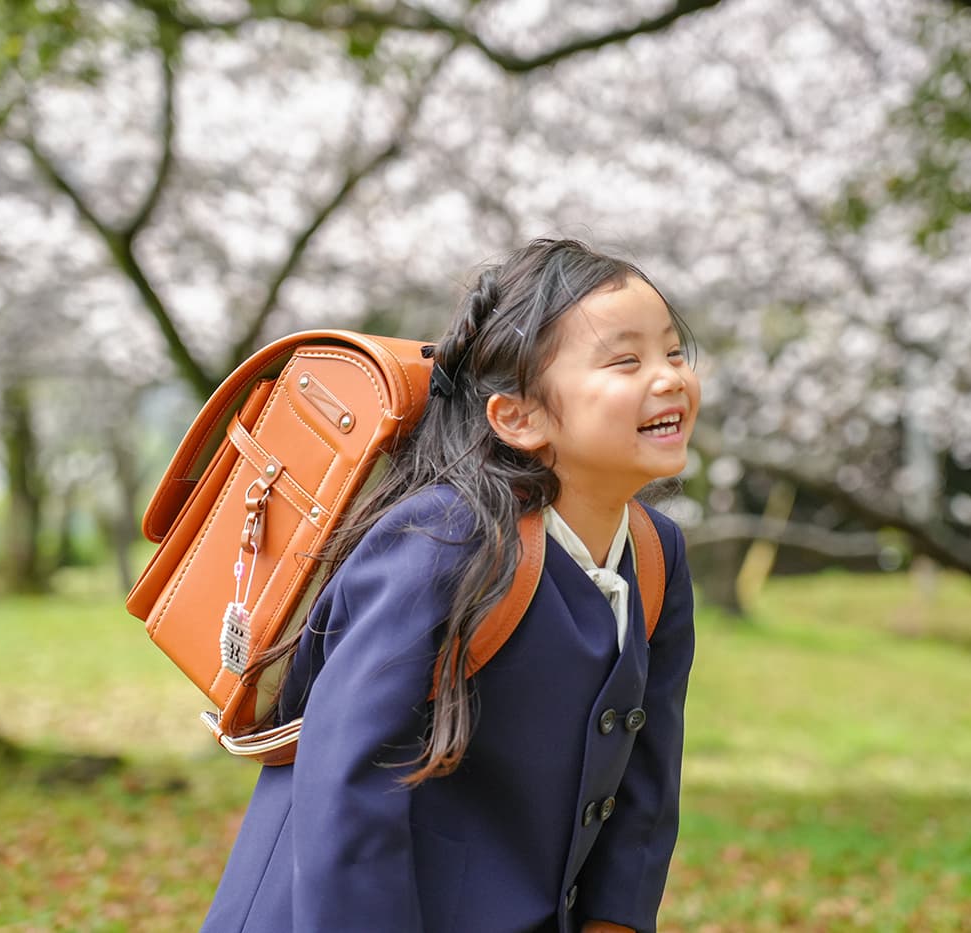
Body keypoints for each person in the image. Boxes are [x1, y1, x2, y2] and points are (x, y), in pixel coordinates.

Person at [201, 238, 700, 933]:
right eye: (626, 360)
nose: (670, 378)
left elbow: (647, 776)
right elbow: (347, 783)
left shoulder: (654, 552)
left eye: (674, 353)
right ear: (518, 416)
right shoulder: (440, 540)